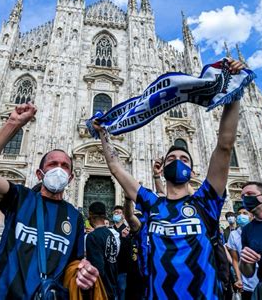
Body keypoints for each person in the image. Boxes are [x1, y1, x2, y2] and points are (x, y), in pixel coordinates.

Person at [92, 58, 245, 299]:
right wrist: (103, 134)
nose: (177, 161)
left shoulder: (206, 202)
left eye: (184, 158)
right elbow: (116, 168)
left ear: (193, 172)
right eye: (171, 158)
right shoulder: (152, 203)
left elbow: (225, 145)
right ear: (162, 169)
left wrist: (233, 91)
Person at [0, 102, 98, 299]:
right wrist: (13, 123)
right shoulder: (20, 199)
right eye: (53, 164)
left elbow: (73, 263)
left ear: (71, 177)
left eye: (64, 166)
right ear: (39, 174)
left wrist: (84, 271)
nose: (58, 169)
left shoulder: (75, 217)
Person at [86, 202, 118, 299]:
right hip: (111, 286)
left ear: (91, 216)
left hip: (100, 289)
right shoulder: (111, 234)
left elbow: (97, 268)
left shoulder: (93, 236)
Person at [226, 206, 258, 300]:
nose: (241, 216)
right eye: (239, 214)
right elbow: (235, 260)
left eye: (245, 213)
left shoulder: (261, 230)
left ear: (252, 216)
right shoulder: (234, 234)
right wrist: (239, 278)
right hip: (247, 282)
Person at [111, 205, 130, 300]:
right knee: (112, 293)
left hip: (123, 268)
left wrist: (124, 238)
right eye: (115, 213)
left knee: (122, 291)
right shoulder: (110, 230)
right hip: (112, 267)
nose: (117, 214)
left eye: (119, 212)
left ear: (123, 216)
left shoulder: (127, 229)